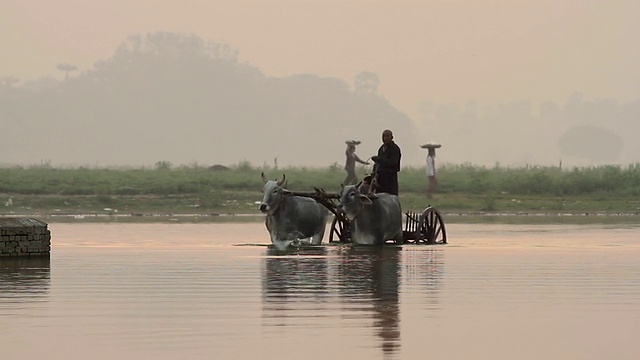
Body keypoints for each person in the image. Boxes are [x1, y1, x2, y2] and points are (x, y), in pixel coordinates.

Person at [371, 129, 402, 196]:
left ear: (392, 137)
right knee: (379, 197)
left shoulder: (395, 149)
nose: (385, 138)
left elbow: (394, 163)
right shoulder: (381, 149)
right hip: (381, 178)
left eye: (387, 136)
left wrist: (379, 159)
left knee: (390, 197)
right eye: (384, 136)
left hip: (390, 178)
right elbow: (378, 163)